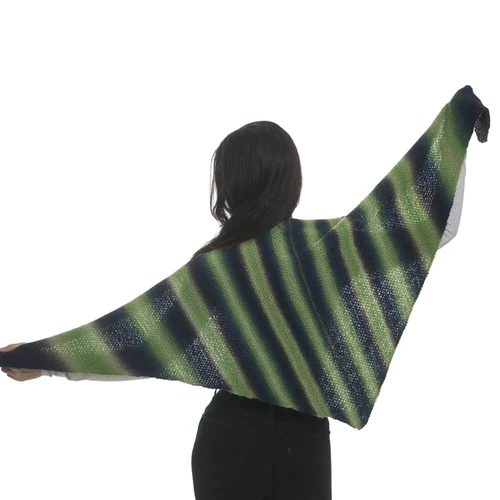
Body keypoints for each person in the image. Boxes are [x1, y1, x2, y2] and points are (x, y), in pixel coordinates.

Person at [1, 121, 466, 499]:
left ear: (230, 184)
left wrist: (47, 364)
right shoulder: (324, 250)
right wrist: (458, 132)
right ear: (292, 179)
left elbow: (135, 346)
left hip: (231, 439)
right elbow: (434, 227)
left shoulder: (219, 265)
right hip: (301, 441)